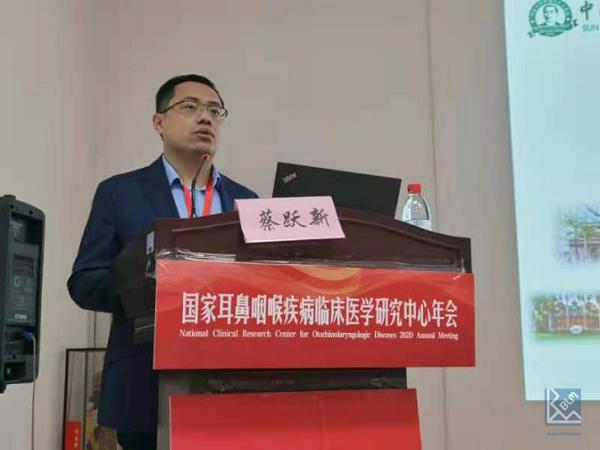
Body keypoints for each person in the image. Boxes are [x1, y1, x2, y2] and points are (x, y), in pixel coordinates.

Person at [68, 74, 258, 450]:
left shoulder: (247, 201)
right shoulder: (119, 193)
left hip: (230, 382)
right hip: (144, 382)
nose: (205, 117)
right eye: (190, 107)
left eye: (215, 111)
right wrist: (152, 282)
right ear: (159, 122)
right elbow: (84, 282)